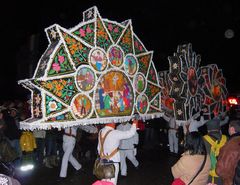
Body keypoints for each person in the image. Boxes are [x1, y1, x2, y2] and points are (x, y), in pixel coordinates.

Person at [97, 119, 138, 185]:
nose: (116, 123)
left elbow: (98, 148)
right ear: (113, 122)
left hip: (102, 161)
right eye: (115, 121)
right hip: (113, 163)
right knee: (112, 183)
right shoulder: (115, 132)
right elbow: (131, 133)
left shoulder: (101, 131)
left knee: (104, 182)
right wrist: (135, 121)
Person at [203, 117, 228, 185]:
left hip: (209, 174)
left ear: (208, 130)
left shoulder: (204, 139)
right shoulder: (226, 138)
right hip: (224, 172)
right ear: (219, 128)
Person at [216, 120, 240, 185]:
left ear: (232, 129)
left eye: (229, 127)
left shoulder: (231, 145)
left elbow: (220, 170)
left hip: (232, 181)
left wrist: (218, 158)